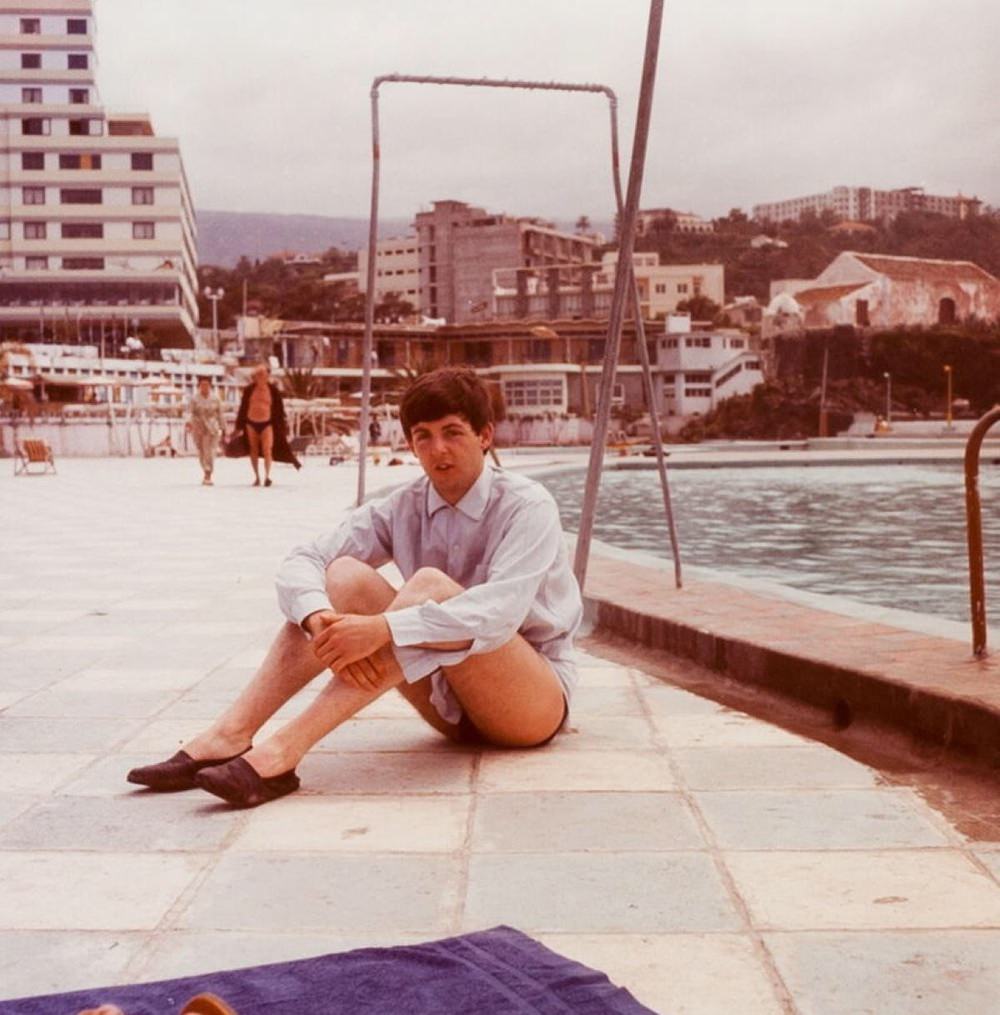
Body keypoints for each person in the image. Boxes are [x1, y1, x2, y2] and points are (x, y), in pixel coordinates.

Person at [128, 367, 582, 808]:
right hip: (446, 704)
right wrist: (316, 618)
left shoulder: (528, 506)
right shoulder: (402, 505)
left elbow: (499, 613)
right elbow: (305, 558)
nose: (438, 449)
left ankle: (284, 752)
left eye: (453, 432)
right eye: (423, 435)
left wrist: (382, 629)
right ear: (410, 444)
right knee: (339, 576)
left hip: (527, 705)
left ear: (485, 435)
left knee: (429, 587)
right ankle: (231, 734)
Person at [232, 363, 300, 486]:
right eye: (258, 374)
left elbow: (279, 410)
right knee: (253, 450)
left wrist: (282, 427)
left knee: (267, 449)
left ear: (267, 376)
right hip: (251, 423)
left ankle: (267, 476)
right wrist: (238, 426)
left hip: (267, 423)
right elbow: (243, 408)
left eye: (263, 374)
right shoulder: (249, 390)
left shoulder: (273, 391)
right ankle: (257, 476)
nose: (261, 377)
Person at [187, 377, 225, 485]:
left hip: (212, 427)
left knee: (210, 450)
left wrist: (223, 428)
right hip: (198, 426)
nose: (204, 387)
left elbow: (220, 414)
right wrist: (188, 423)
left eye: (207, 385)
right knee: (201, 450)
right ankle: (205, 469)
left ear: (210, 386)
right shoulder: (194, 399)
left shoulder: (216, 399)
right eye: (202, 385)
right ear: (199, 386)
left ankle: (208, 473)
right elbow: (189, 412)